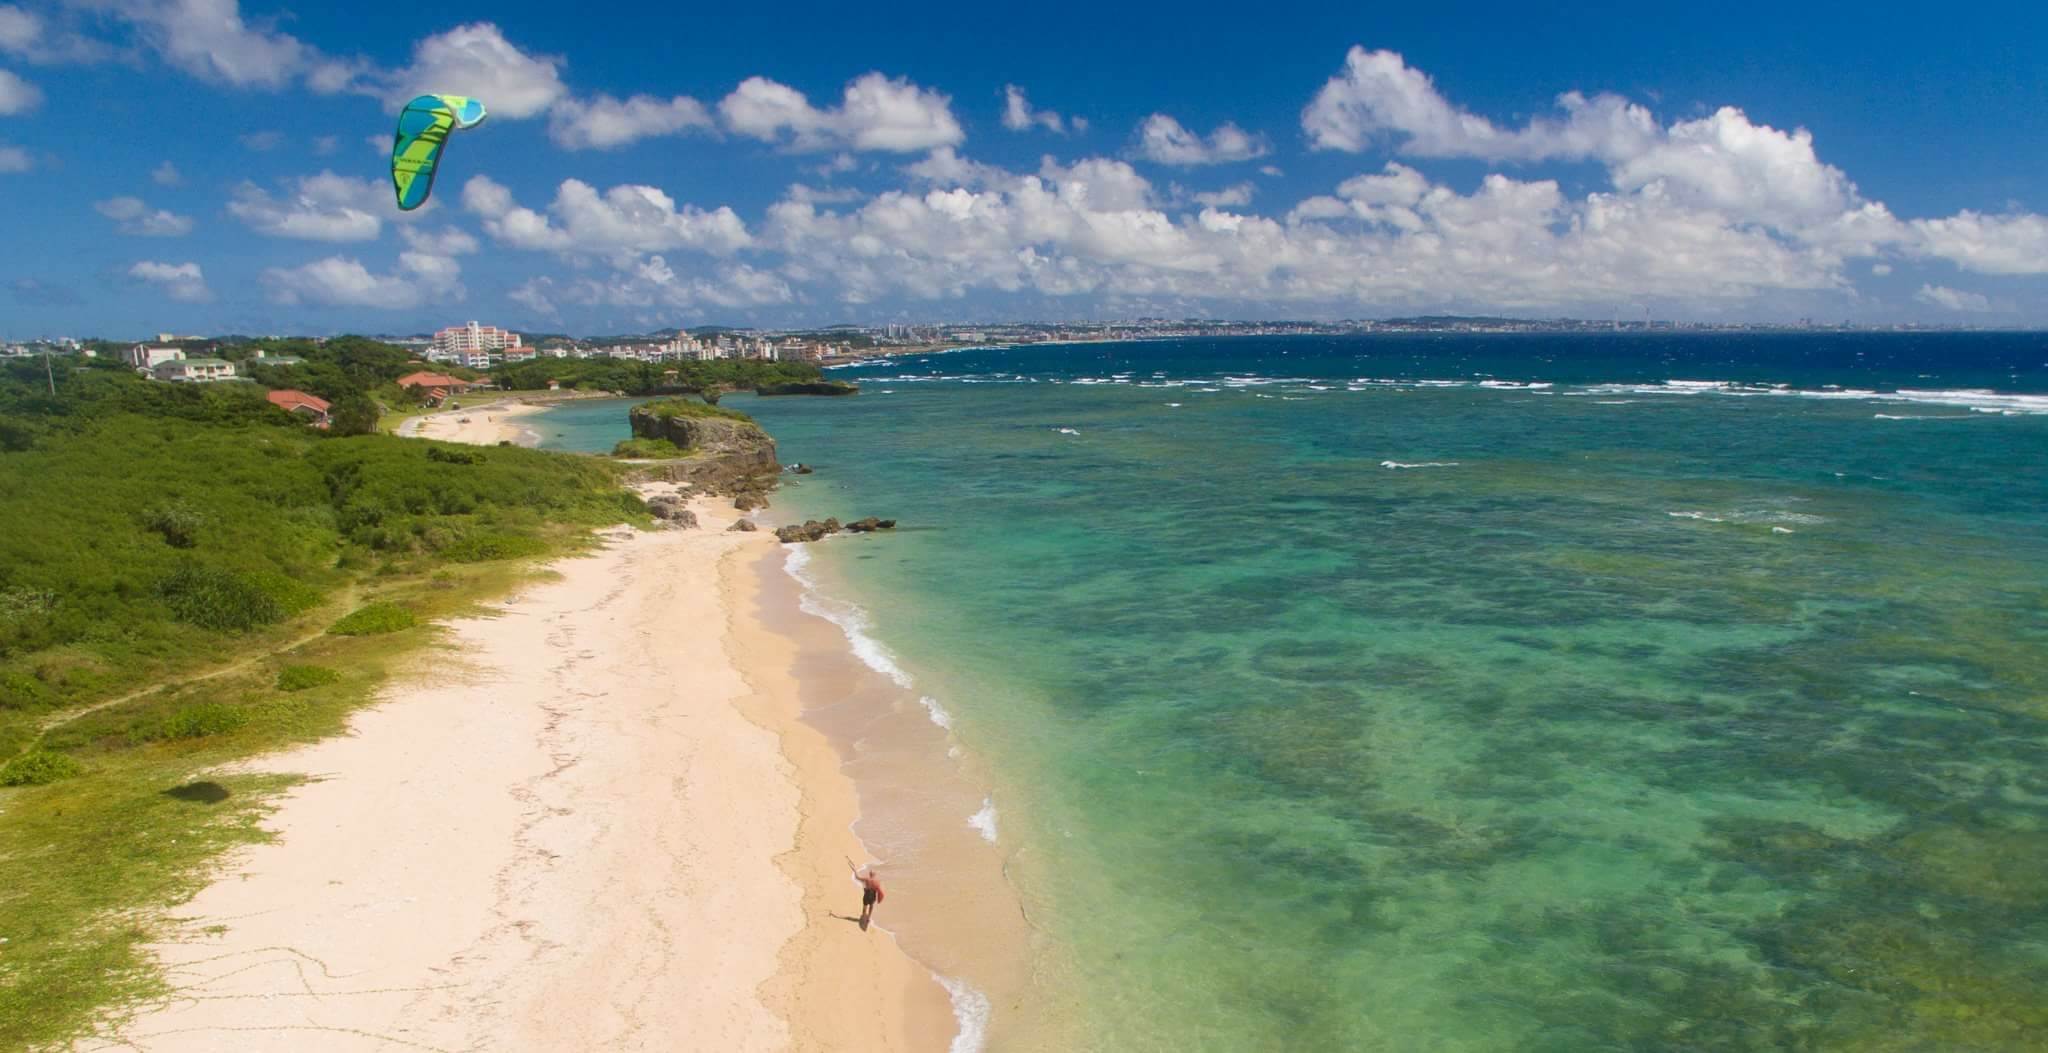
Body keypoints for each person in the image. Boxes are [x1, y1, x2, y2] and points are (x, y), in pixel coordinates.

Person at [848, 858, 885, 931]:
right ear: (874, 875)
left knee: (865, 906)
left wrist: (854, 870)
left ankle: (863, 918)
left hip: (867, 895)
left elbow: (857, 877)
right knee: (871, 906)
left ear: (870, 874)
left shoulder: (867, 879)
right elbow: (879, 891)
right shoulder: (877, 882)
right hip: (873, 896)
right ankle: (868, 918)